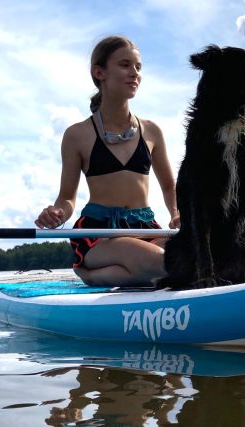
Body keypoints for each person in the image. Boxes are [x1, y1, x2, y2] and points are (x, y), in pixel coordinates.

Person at [35, 36, 179, 286]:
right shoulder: (77, 135)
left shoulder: (152, 131)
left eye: (138, 67)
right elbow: (67, 198)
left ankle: (115, 275)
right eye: (125, 65)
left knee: (194, 254)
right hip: (99, 234)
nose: (134, 73)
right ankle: (91, 272)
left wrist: (177, 214)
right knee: (166, 263)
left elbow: (169, 186)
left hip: (146, 229)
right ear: (99, 72)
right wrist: (57, 214)